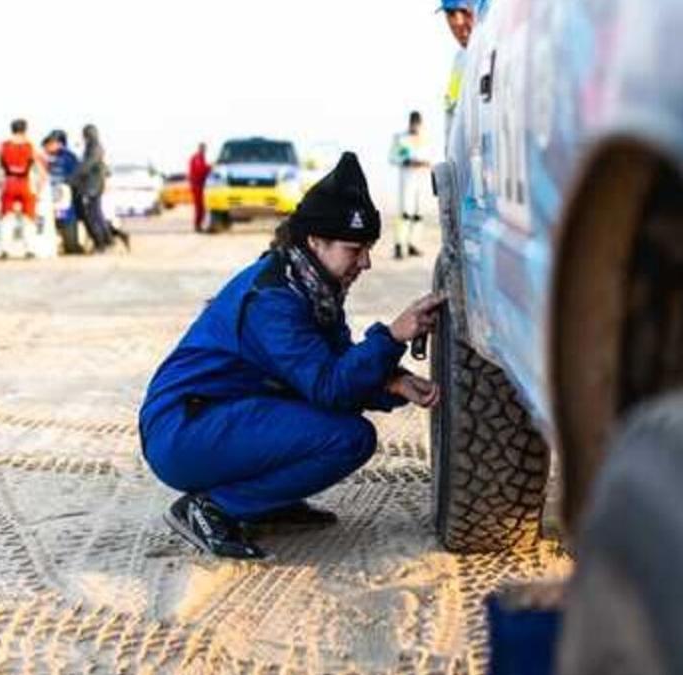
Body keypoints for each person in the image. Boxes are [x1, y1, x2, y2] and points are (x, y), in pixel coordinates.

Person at [138, 152, 444, 560]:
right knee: (348, 437)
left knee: (333, 422)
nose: (366, 262)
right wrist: (391, 336)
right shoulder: (275, 301)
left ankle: (265, 502)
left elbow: (333, 363)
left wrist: (394, 381)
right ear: (316, 241)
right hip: (184, 429)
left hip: (216, 414)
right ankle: (213, 507)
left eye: (368, 248)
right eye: (356, 249)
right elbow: (328, 387)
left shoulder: (307, 283)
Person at [0, 119, 47, 259]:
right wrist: (39, 188)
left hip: (9, 183)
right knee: (29, 218)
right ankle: (30, 249)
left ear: (11, 129)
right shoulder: (31, 147)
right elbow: (41, 170)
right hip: (26, 184)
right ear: (25, 130)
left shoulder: (2, 146)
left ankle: (5, 250)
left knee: (6, 218)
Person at [388, 111, 430, 259]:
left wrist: (425, 163)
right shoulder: (401, 139)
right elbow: (392, 157)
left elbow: (431, 158)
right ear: (410, 123)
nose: (415, 126)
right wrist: (407, 161)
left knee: (418, 214)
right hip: (407, 179)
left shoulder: (426, 139)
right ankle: (399, 245)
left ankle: (413, 244)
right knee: (405, 213)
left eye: (417, 123)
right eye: (413, 123)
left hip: (422, 180)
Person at [68, 125, 113, 252]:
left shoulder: (94, 147)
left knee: (93, 215)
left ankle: (101, 243)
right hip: (94, 184)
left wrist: (72, 178)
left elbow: (87, 165)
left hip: (92, 185)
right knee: (97, 213)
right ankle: (108, 239)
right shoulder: (94, 146)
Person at [439, 0, 476, 145]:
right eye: (450, 13)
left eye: (465, 11)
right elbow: (451, 112)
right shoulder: (459, 62)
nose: (458, 22)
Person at [43, 130, 84, 254]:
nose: (49, 146)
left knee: (67, 218)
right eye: (48, 144)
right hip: (49, 194)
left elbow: (76, 176)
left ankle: (71, 245)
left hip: (63, 195)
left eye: (52, 143)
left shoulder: (69, 157)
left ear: (60, 143)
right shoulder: (45, 157)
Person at [188, 143, 211, 232]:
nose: (204, 150)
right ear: (200, 148)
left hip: (200, 185)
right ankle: (197, 226)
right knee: (199, 207)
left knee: (202, 207)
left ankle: (199, 225)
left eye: (205, 149)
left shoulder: (201, 158)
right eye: (203, 149)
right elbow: (200, 170)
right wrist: (209, 168)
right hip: (196, 185)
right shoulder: (197, 158)